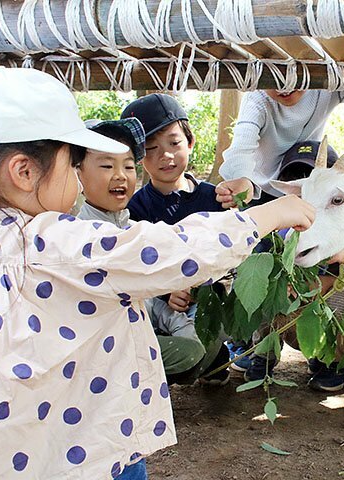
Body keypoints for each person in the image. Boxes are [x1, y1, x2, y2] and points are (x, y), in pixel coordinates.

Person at [0, 67, 314, 479]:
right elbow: (167, 251)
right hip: (84, 448)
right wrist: (264, 216)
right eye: (74, 165)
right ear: (24, 172)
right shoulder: (51, 243)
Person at [76, 118, 213, 386]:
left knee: (204, 345)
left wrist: (185, 330)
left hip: (142, 330)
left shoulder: (137, 230)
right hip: (102, 351)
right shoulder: (80, 234)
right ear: (78, 173)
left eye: (128, 166)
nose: (120, 175)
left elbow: (151, 304)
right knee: (188, 352)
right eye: (106, 166)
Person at [241, 141, 344, 392]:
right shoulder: (278, 233)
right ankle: (263, 355)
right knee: (264, 284)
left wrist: (338, 271)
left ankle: (335, 362)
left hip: (338, 323)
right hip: (292, 321)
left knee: (342, 297)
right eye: (301, 187)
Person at [121, 94, 230, 385]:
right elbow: (137, 265)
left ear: (190, 143)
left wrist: (201, 284)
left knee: (211, 344)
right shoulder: (135, 208)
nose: (165, 156)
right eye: (151, 149)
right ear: (138, 158)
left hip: (207, 297)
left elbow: (228, 254)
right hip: (157, 302)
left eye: (174, 143)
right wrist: (165, 292)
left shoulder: (214, 198)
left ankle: (212, 354)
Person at [215, 89, 344, 208]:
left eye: (293, 75)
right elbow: (242, 144)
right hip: (262, 190)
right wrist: (241, 178)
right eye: (273, 79)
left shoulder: (325, 85)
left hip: (305, 182)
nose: (284, 87)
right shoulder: (257, 99)